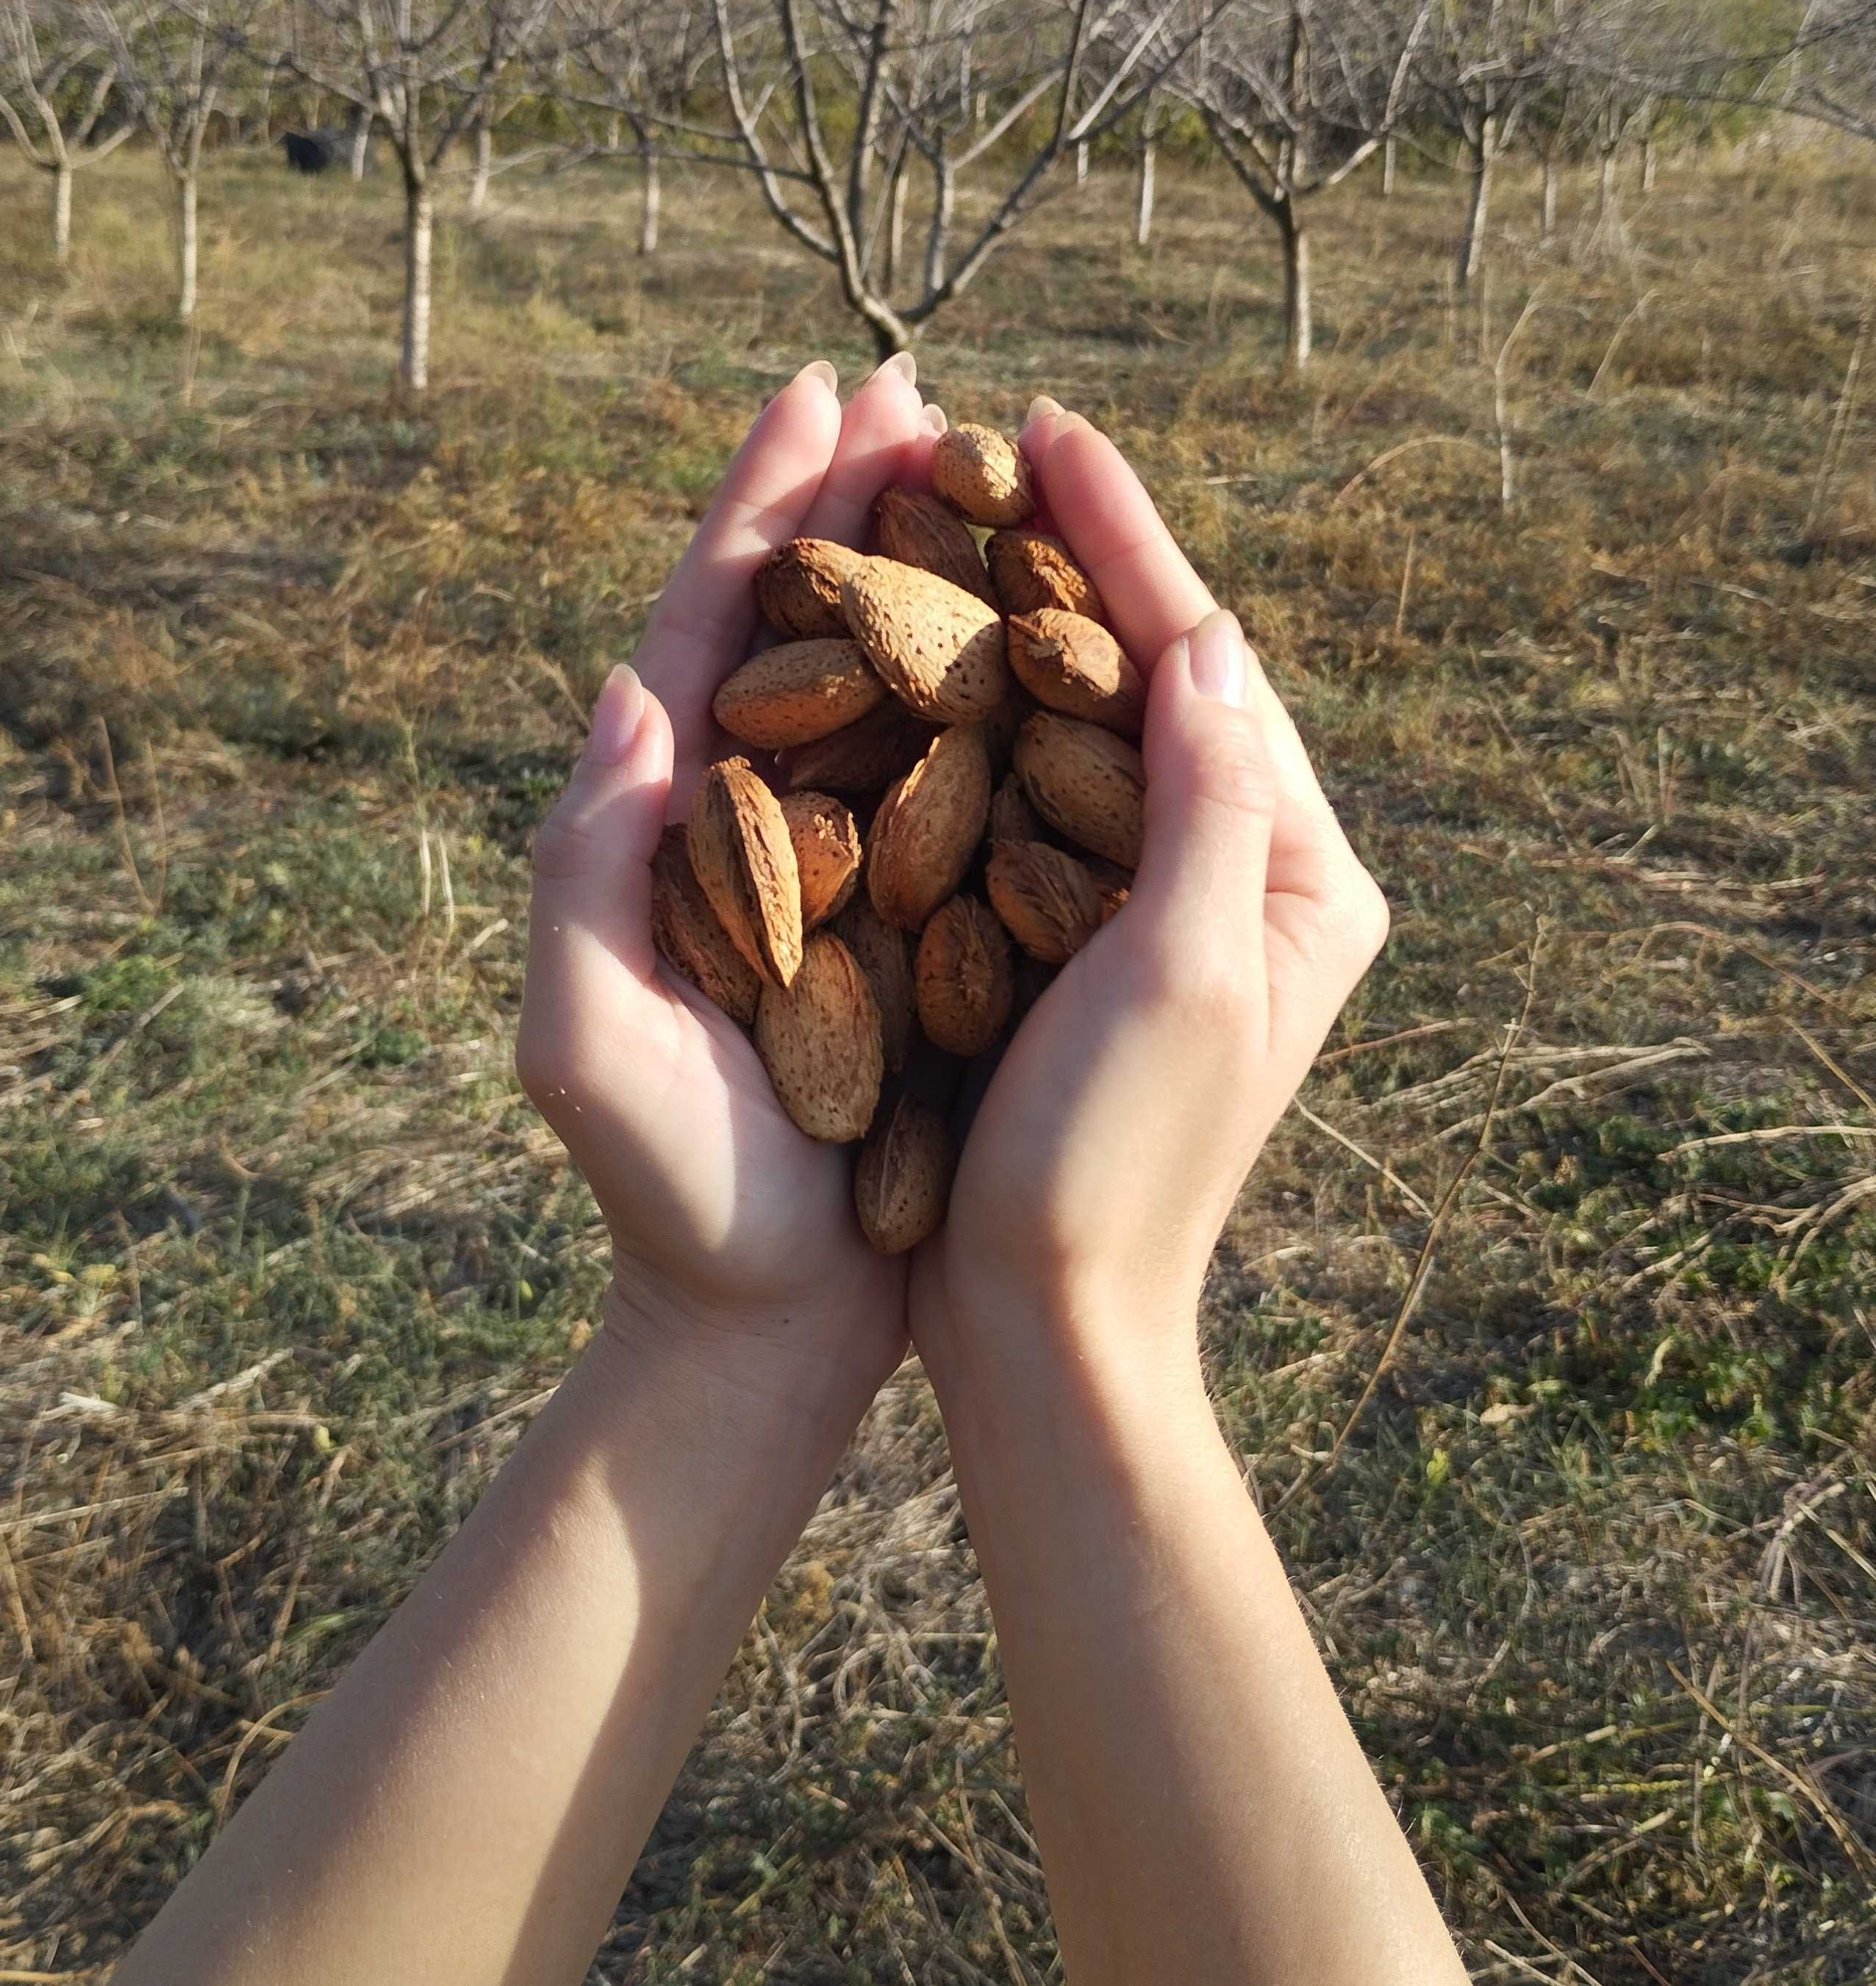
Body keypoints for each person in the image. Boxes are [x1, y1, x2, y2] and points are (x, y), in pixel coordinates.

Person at [116, 356, 1467, 1986]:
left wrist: (728, 1336)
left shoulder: (995, 760)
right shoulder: (925, 773)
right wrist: (1060, 1315)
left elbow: (998, 729)